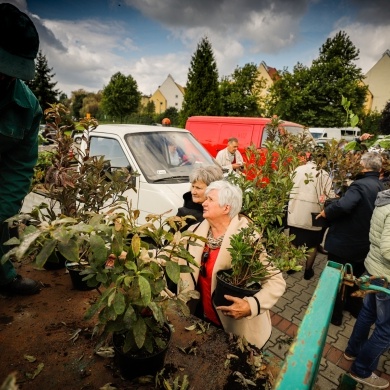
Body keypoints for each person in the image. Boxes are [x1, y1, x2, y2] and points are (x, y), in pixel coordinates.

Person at [179, 180, 286, 349]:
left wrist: (251, 306)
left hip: (234, 328)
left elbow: (276, 282)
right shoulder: (194, 232)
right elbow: (168, 253)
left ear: (226, 208)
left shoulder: (248, 240)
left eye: (210, 200)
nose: (204, 203)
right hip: (200, 317)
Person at [0, 3, 42, 295]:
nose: (5, 78)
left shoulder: (26, 107)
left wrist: (1, 212)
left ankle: (3, 276)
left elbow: (19, 168)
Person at [318, 152, 384, 325]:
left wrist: (327, 211)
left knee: (337, 280)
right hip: (364, 243)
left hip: (344, 243)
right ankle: (354, 307)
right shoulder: (381, 186)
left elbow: (345, 206)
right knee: (354, 278)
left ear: (364, 166)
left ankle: (335, 316)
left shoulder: (360, 185)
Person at [343, 189, 390, 389]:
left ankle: (352, 350)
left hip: (374, 269)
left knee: (368, 313)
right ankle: (361, 369)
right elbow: (388, 249)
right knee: (386, 330)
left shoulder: (384, 199)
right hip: (385, 277)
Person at [287, 154, 332, 280]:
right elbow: (329, 195)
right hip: (314, 215)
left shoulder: (298, 169)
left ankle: (291, 267)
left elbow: (287, 188)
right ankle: (308, 270)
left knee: (293, 242)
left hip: (296, 213)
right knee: (312, 244)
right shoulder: (324, 174)